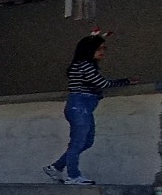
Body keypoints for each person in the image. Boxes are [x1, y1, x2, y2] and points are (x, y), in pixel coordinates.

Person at [44, 33, 131, 186]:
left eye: (104, 48)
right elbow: (101, 83)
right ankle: (73, 175)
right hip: (80, 105)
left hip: (82, 106)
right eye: (98, 48)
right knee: (78, 141)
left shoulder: (82, 64)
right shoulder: (85, 65)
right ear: (89, 49)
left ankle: (56, 167)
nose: (102, 51)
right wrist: (126, 81)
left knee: (87, 141)